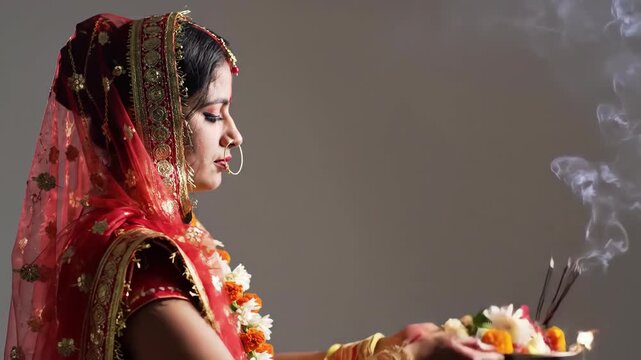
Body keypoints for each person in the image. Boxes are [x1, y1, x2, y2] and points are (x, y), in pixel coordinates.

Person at [4, 11, 503, 360]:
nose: (234, 135)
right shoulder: (142, 260)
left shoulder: (130, 241)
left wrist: (382, 348)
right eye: (212, 114)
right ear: (152, 124)